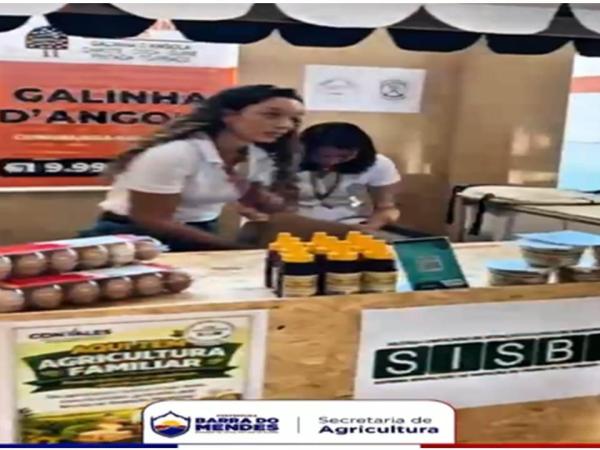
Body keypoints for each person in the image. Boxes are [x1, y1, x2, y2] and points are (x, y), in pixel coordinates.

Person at [80, 85, 304, 251]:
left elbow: (257, 204)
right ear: (228, 115)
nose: (285, 125)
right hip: (132, 235)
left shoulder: (257, 155)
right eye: (271, 115)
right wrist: (231, 248)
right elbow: (151, 219)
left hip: (201, 230)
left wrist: (270, 202)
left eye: (294, 119)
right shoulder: (176, 153)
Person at [295, 122, 401, 232]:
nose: (332, 161)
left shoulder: (378, 164)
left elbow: (386, 208)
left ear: (360, 151)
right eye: (323, 156)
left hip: (353, 225)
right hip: (299, 226)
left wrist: (371, 226)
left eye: (343, 156)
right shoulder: (290, 162)